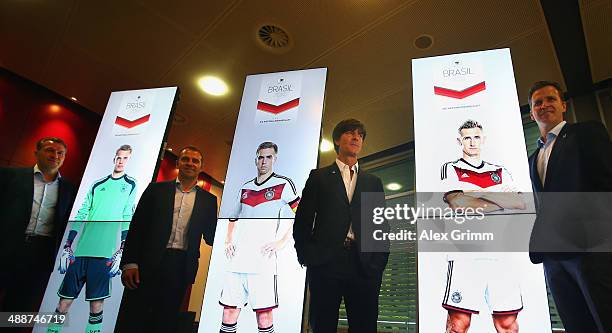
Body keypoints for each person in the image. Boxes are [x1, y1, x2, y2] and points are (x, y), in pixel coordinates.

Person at [527, 81, 612, 332]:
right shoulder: (534, 158)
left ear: (563, 105)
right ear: (532, 113)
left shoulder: (587, 133)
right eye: (537, 103)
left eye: (550, 99)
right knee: (576, 324)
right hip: (552, 256)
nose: (544, 105)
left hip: (588, 250)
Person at [293, 119, 389, 333]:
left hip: (363, 265)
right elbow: (303, 221)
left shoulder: (372, 182)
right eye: (350, 133)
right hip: (325, 264)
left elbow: (380, 226)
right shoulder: (318, 177)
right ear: (337, 139)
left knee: (364, 326)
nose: (356, 137)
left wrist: (377, 264)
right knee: (323, 325)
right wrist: (308, 256)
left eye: (360, 135)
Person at [117, 146, 218, 333]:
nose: (190, 163)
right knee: (134, 315)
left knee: (165, 319)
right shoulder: (155, 190)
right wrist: (129, 263)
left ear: (201, 166)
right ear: (178, 163)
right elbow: (137, 228)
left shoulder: (209, 201)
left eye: (195, 161)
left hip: (181, 266)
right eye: (186, 159)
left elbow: (212, 237)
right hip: (147, 263)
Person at [441, 120, 526, 333]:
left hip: (501, 252)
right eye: (467, 138)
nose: (472, 142)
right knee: (459, 324)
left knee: (507, 324)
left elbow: (518, 202)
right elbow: (459, 205)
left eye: (476, 137)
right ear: (459, 141)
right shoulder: (451, 168)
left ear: (483, 139)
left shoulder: (500, 170)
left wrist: (474, 193)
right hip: (465, 253)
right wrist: (499, 197)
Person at [46, 144, 137, 333]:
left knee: (96, 306)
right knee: (63, 303)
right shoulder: (97, 184)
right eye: (118, 157)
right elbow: (82, 214)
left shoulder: (130, 185)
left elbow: (128, 215)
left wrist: (122, 249)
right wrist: (68, 245)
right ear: (114, 158)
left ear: (129, 160)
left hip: (105, 254)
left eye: (125, 158)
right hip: (80, 253)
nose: (121, 161)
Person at [219, 142, 300, 333]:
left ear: (275, 159)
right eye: (261, 157)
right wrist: (228, 240)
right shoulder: (245, 187)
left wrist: (281, 242)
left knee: (264, 317)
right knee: (229, 312)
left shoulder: (283, 184)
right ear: (256, 159)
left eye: (269, 157)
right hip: (238, 259)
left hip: (263, 261)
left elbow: (301, 215)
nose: (264, 161)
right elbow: (233, 217)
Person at [0, 137, 76, 315]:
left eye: (60, 153)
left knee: (20, 309)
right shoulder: (9, 175)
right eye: (50, 150)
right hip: (6, 247)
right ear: (37, 153)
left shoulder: (69, 189)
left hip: (40, 256)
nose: (55, 155)